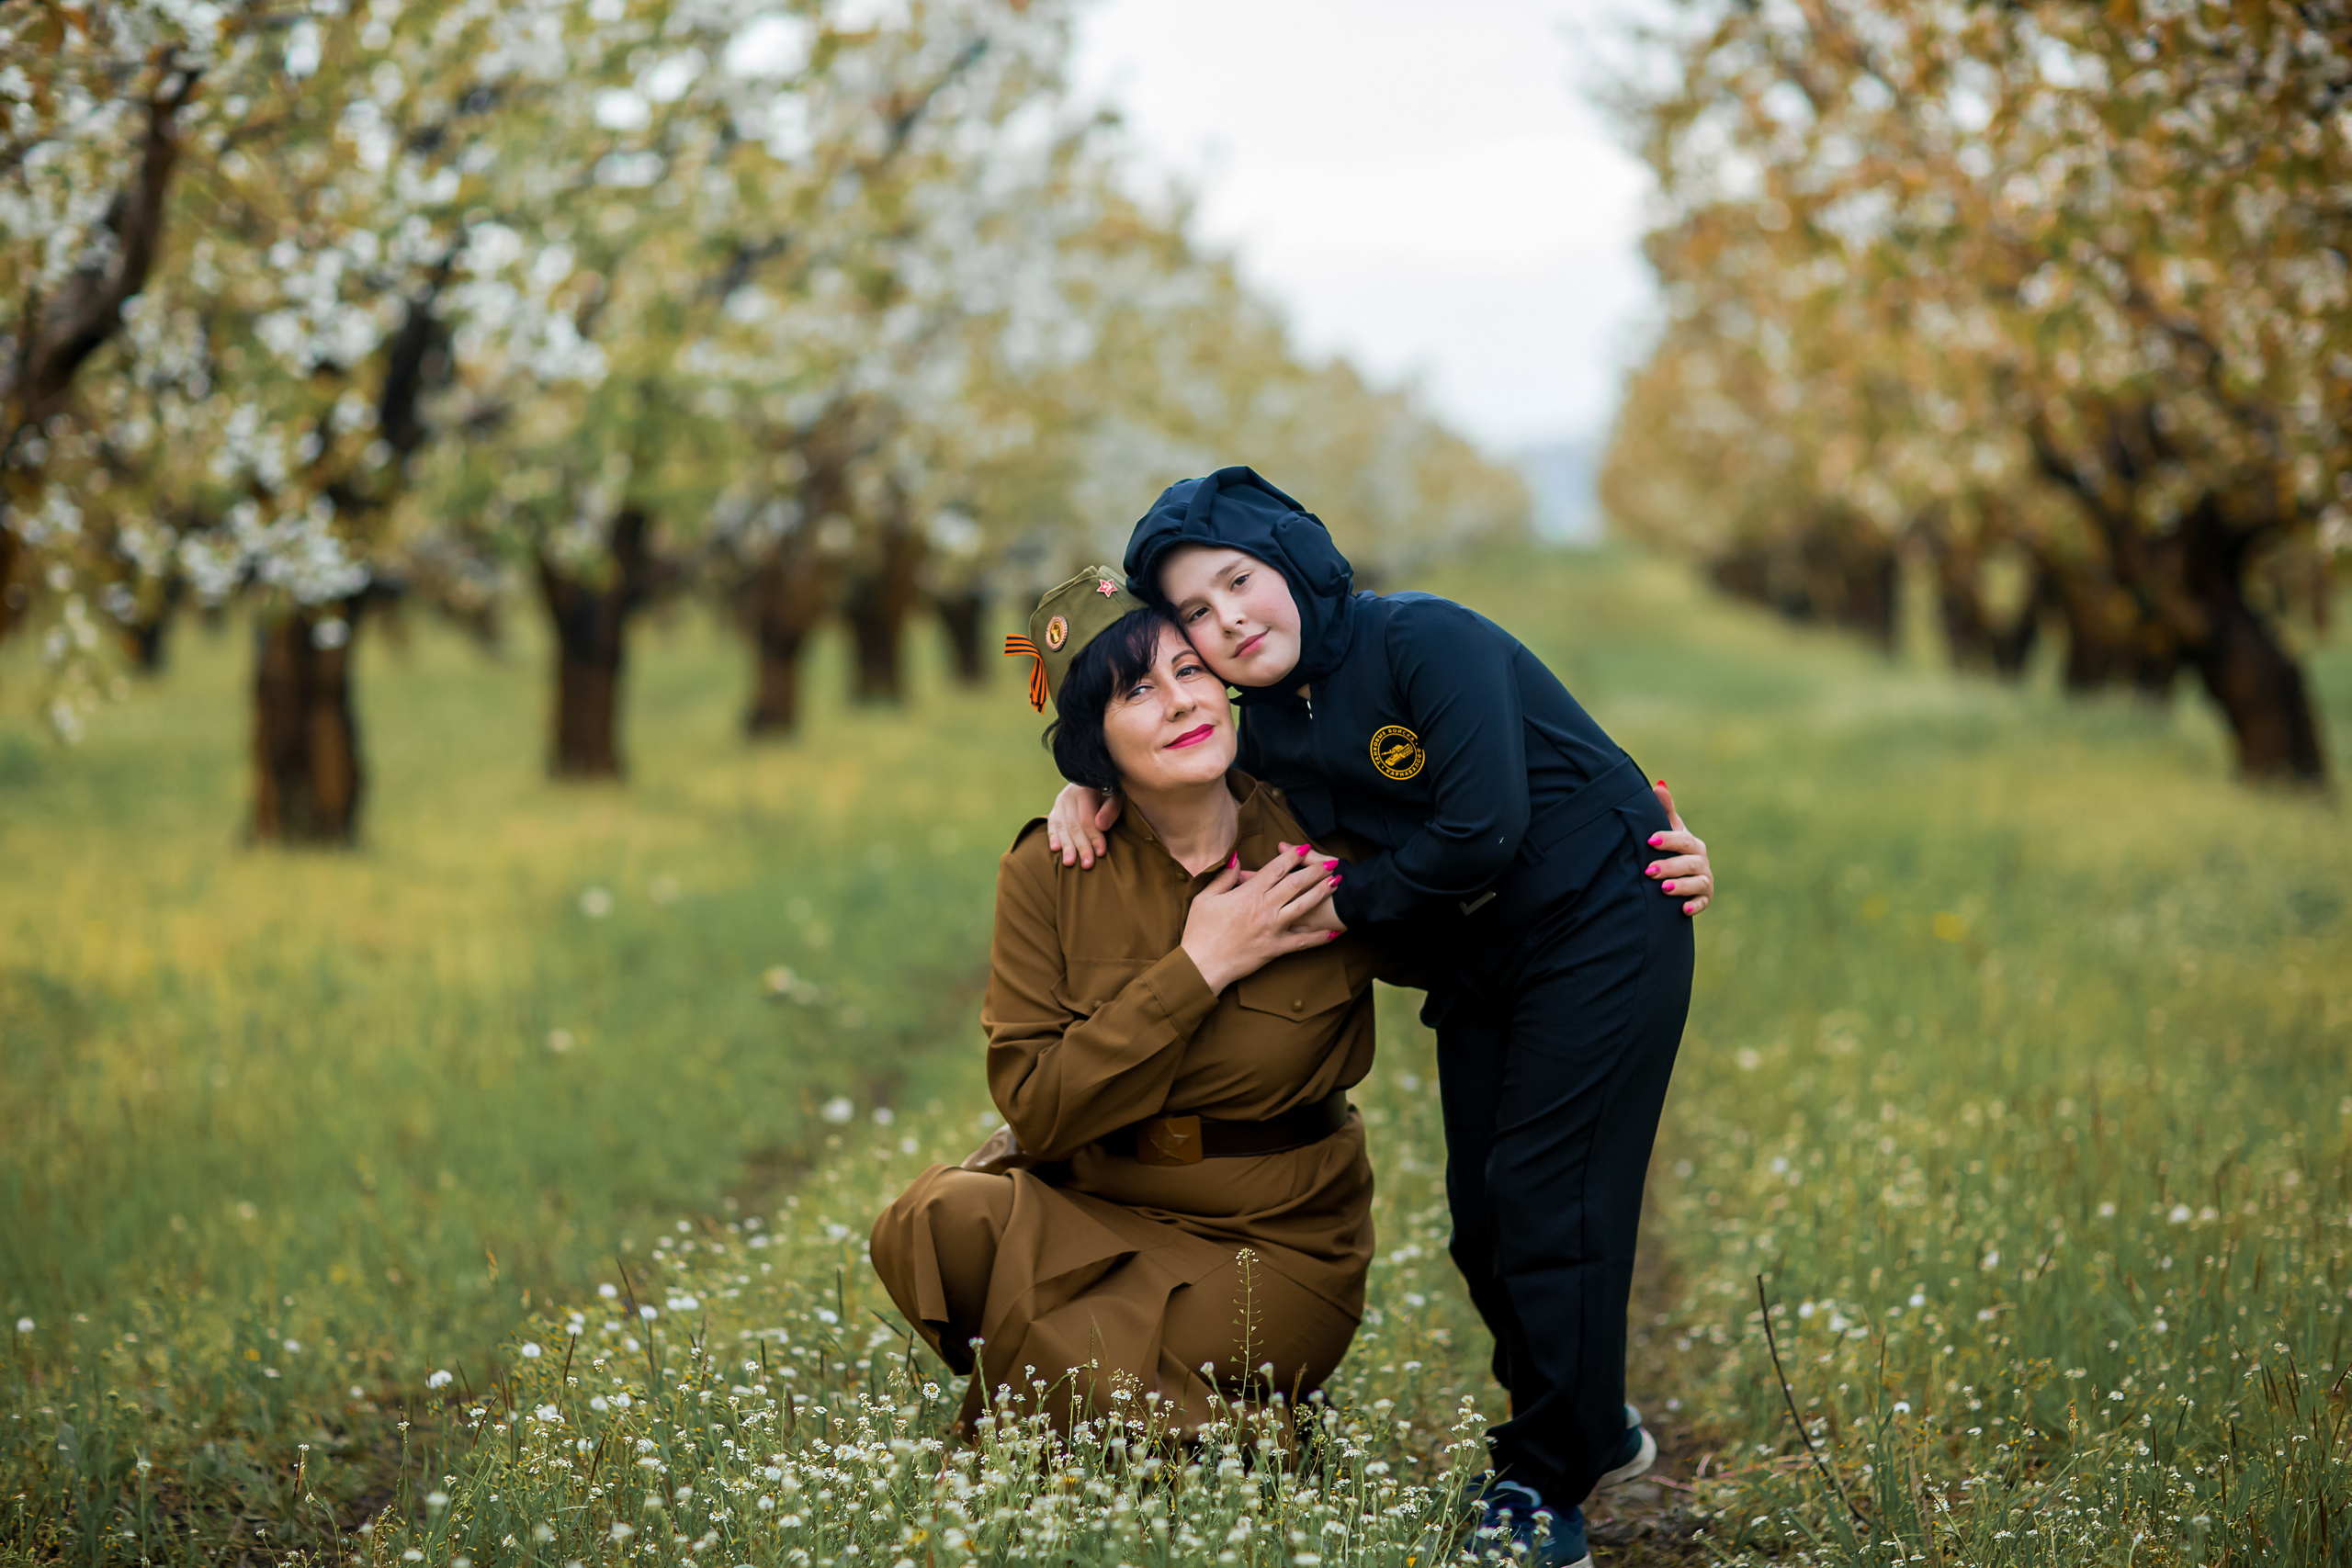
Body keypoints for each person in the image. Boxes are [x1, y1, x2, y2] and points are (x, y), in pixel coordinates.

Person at [1043, 468, 1715, 1568]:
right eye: (1197, 613)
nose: (1229, 620)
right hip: (1485, 955)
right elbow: (1180, 780)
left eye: (1240, 581)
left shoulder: (1424, 641)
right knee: (1481, 1222)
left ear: (1295, 560)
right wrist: (1088, 785)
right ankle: (1591, 1424)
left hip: (1600, 920)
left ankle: (1546, 1483)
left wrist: (1328, 907)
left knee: (1548, 1199)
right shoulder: (1266, 728)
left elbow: (1481, 829)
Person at [869, 566, 1386, 1438]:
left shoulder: (1318, 839)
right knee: (933, 1222)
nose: (1182, 702)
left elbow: (1481, 918)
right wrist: (1200, 965)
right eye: (1137, 692)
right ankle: (1189, 1409)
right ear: (1094, 745)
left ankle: (1232, 1427)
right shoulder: (1049, 870)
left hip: (1273, 1241)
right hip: (1099, 1206)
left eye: (1190, 670)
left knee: (1069, 1359)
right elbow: (1035, 1108)